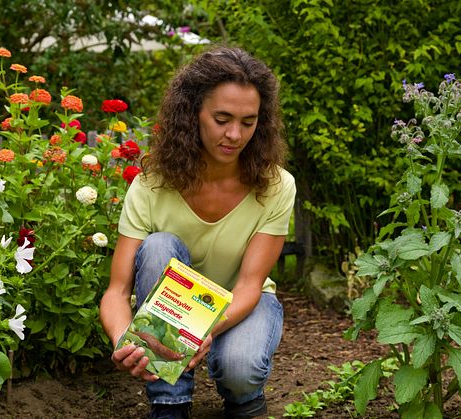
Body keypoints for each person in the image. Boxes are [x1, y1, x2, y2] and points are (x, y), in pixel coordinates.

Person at [99, 46, 296, 419]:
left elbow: (250, 285)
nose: (235, 134)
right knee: (159, 246)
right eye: (221, 119)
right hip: (172, 308)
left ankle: (245, 403)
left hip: (240, 303)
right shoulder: (152, 185)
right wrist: (126, 341)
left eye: (248, 121)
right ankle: (169, 406)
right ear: (194, 114)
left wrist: (201, 331)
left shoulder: (276, 186)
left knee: (240, 367)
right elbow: (118, 290)